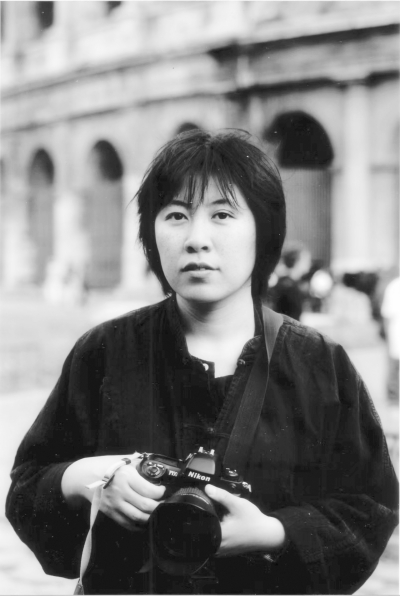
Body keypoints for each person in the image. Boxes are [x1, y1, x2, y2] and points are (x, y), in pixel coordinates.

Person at [6, 130, 398, 595]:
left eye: (222, 215)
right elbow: (27, 486)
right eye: (176, 215)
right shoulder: (105, 351)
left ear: (264, 230)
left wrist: (273, 533)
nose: (196, 239)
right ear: (150, 232)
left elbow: (370, 508)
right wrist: (89, 480)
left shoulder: (319, 363)